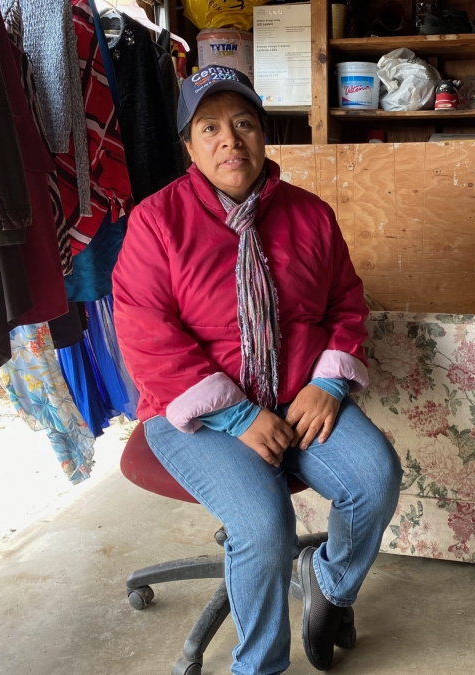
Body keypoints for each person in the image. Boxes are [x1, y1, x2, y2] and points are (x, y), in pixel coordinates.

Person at [112, 67, 403, 675]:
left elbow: (346, 304)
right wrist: (238, 414)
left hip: (297, 399)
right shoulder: (155, 223)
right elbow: (146, 336)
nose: (229, 140)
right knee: (265, 525)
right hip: (197, 416)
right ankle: (260, 667)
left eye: (243, 123)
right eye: (209, 127)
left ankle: (329, 586)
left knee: (375, 478)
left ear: (264, 135)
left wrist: (327, 383)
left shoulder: (311, 216)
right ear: (188, 146)